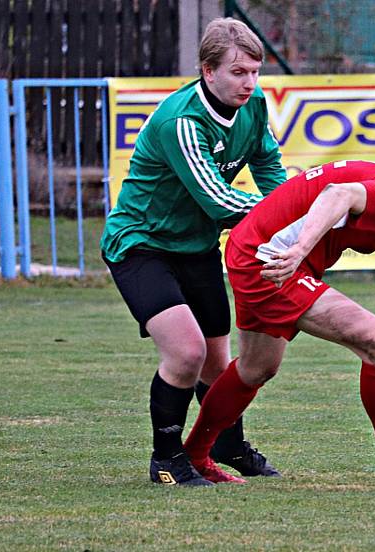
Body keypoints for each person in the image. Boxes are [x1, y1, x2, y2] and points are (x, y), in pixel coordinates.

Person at [183, 157, 375, 484]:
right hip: (271, 261)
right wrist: (299, 250)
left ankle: (193, 456)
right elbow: (338, 193)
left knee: (256, 367)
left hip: (259, 253)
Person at [100, 18, 287, 486]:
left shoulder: (254, 106)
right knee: (186, 353)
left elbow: (266, 162)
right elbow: (218, 200)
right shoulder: (180, 121)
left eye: (255, 71)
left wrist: (296, 212)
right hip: (140, 245)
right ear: (207, 71)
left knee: (217, 365)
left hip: (196, 246)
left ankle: (227, 444)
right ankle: (166, 459)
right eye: (238, 72)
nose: (249, 82)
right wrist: (291, 219)